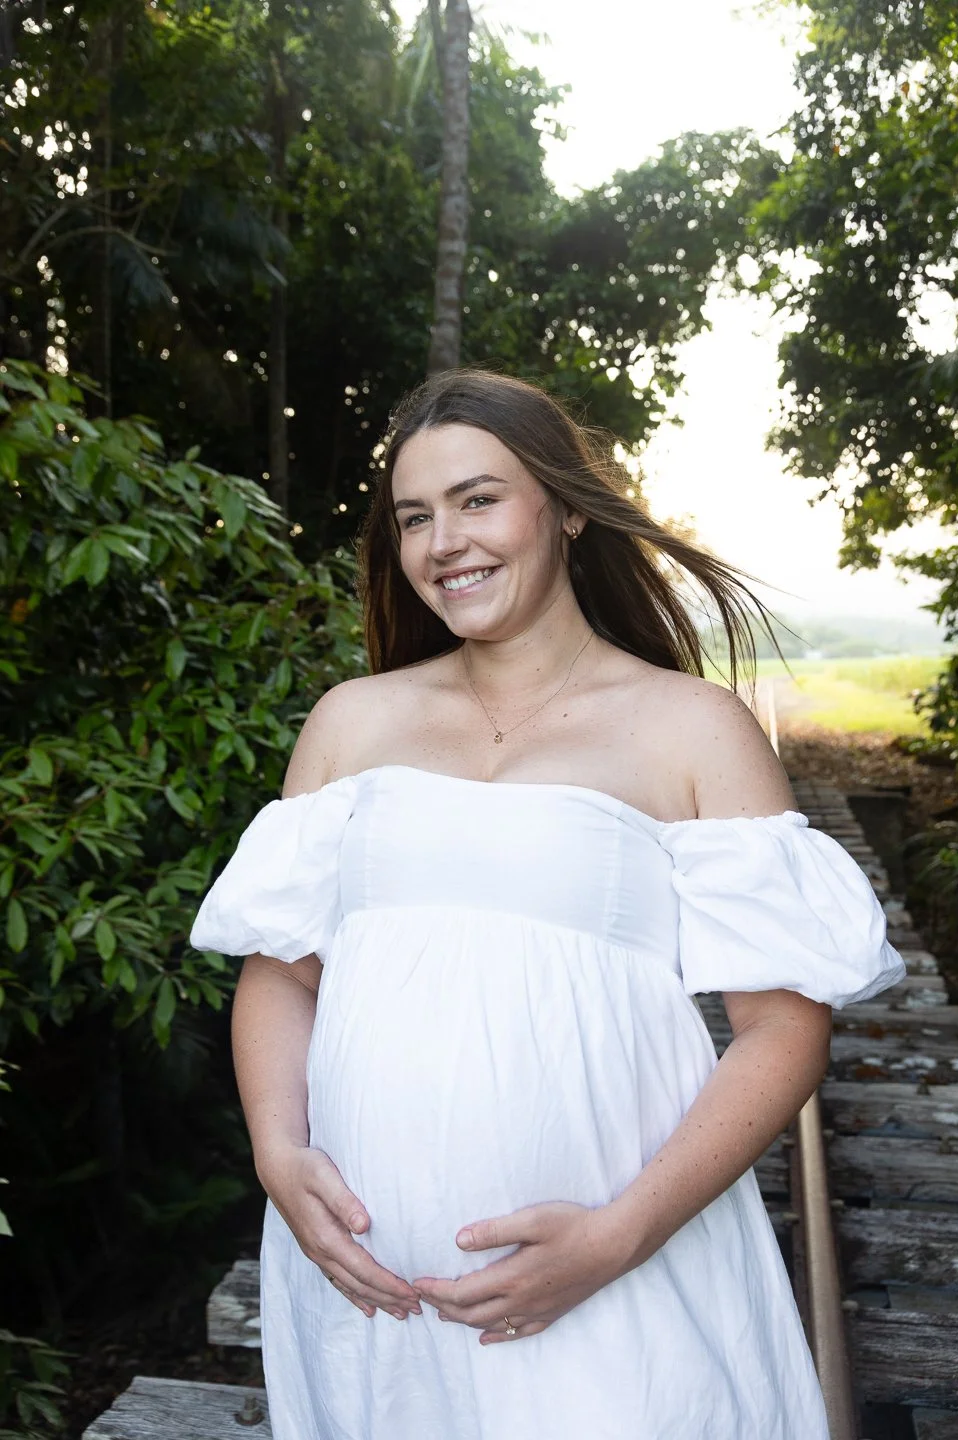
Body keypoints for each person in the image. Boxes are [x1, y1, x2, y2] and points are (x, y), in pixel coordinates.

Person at [190, 368, 906, 1440]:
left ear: (567, 507)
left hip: (616, 1271)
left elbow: (781, 1035)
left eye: (480, 499)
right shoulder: (351, 722)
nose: (444, 543)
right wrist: (278, 1158)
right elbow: (282, 975)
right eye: (415, 518)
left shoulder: (691, 727)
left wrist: (614, 1238)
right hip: (374, 1292)